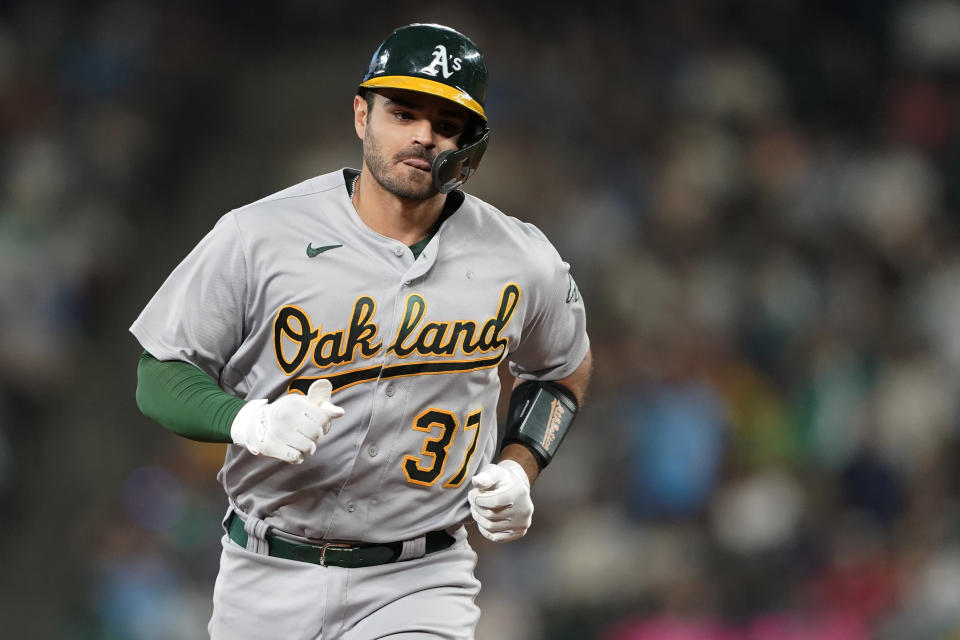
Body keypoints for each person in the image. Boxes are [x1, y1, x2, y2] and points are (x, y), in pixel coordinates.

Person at [131, 22, 591, 640]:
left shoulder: (521, 258)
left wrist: (519, 466)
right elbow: (159, 372)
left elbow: (563, 367)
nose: (423, 135)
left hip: (420, 578)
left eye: (445, 123)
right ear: (361, 115)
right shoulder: (258, 235)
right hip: (265, 574)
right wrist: (249, 421)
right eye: (403, 112)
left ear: (472, 144)